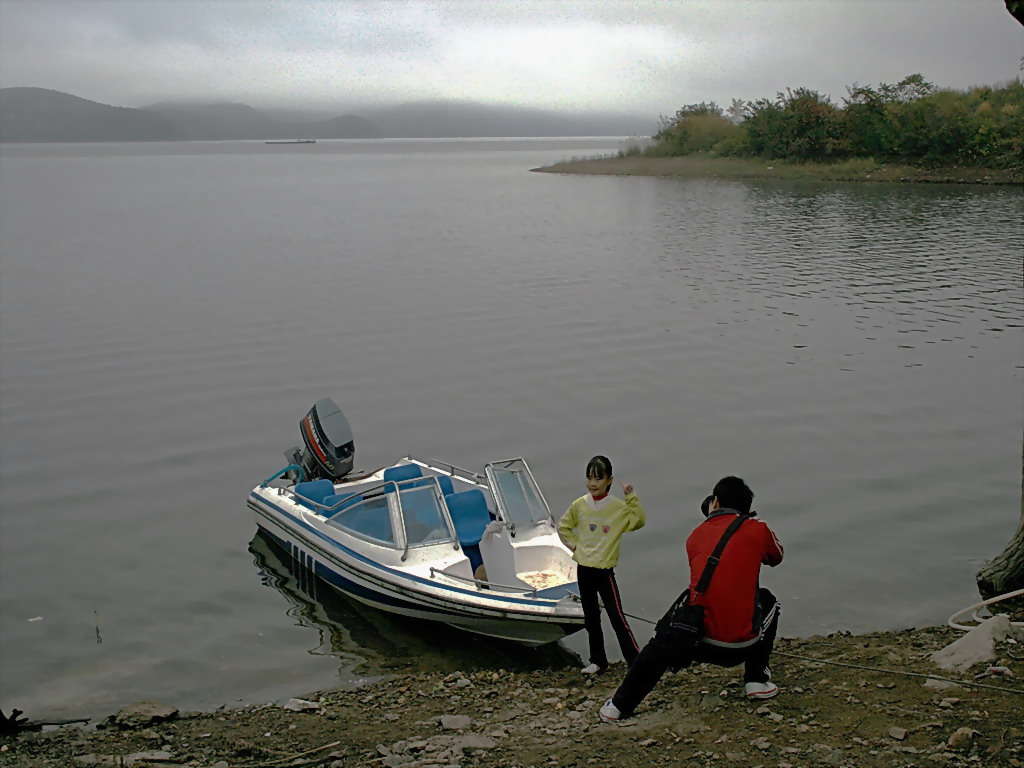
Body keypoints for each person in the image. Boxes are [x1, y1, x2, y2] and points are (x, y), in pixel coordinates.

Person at [599, 475, 783, 720]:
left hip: (695, 642)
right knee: (769, 601)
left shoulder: (695, 536)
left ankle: (619, 706)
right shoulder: (758, 529)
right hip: (740, 646)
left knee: (661, 640)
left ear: (715, 502)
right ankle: (756, 681)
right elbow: (776, 557)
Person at [558, 455, 646, 675]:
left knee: (617, 616)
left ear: (609, 480)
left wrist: (631, 498)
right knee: (591, 617)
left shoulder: (617, 507)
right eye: (589, 478)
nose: (593, 483)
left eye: (598, 478)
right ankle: (598, 661)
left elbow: (638, 521)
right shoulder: (580, 505)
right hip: (584, 568)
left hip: (604, 571)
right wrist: (577, 546)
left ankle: (635, 661)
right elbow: (564, 527)